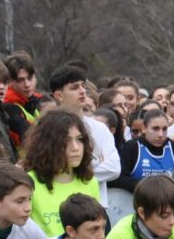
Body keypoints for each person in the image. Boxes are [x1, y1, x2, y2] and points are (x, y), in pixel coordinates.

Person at [48, 66, 121, 206]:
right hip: (58, 208)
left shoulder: (99, 129)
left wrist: (72, 170)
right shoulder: (48, 129)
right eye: (74, 87)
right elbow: (50, 168)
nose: (82, 91)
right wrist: (94, 162)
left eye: (83, 86)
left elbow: (114, 169)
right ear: (59, 96)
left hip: (97, 208)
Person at [113, 109, 174, 192]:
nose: (160, 134)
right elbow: (119, 178)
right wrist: (150, 187)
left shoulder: (173, 148)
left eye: (164, 129)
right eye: (155, 129)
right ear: (144, 128)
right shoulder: (132, 147)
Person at [3, 52, 42, 152]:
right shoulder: (9, 108)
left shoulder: (33, 102)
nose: (27, 84)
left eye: (29, 78)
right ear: (9, 82)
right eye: (20, 80)